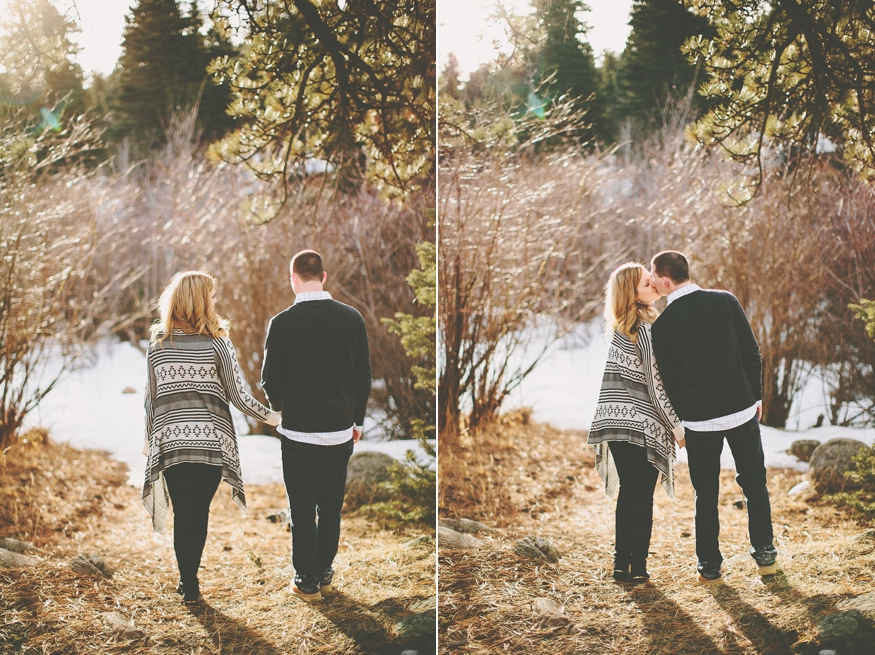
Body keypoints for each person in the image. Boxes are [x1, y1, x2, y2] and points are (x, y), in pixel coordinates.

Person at [142, 271, 281, 605]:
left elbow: (152, 398)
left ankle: (187, 582)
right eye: (213, 295)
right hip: (209, 444)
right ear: (200, 300)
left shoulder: (158, 344)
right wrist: (272, 417)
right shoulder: (218, 342)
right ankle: (190, 581)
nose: (216, 301)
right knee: (197, 512)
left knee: (183, 513)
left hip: (171, 443)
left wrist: (150, 440)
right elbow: (237, 394)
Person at [649, 250, 777, 583]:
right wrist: (756, 395)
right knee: (754, 483)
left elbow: (668, 380)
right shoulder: (726, 301)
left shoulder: (662, 326)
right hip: (742, 409)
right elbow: (751, 351)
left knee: (704, 494)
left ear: (665, 280)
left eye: (654, 277)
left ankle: (709, 564)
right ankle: (765, 553)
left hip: (699, 422)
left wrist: (683, 416)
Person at [261, 250, 371, 602]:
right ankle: (324, 571)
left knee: (302, 506)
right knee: (331, 504)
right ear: (323, 277)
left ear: (293, 279)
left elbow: (269, 379)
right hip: (340, 431)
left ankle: (306, 580)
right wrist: (357, 420)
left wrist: (281, 408)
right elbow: (363, 377)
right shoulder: (351, 318)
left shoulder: (282, 323)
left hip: (297, 433)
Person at [588, 262, 684, 583]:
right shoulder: (645, 331)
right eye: (647, 284)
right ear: (633, 293)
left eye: (652, 281)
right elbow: (655, 388)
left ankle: (620, 565)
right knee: (641, 496)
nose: (654, 285)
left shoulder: (620, 329)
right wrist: (677, 428)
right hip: (641, 425)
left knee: (629, 493)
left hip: (614, 423)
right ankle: (638, 566)